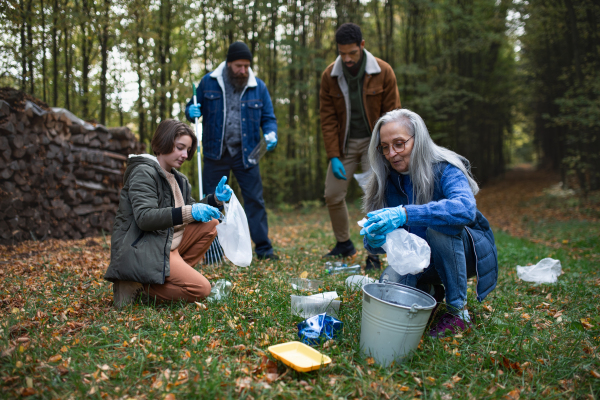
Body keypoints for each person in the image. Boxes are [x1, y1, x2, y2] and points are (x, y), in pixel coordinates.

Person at [360, 109, 498, 337]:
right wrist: (374, 238)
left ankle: (457, 313)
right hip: (420, 260)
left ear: (419, 140)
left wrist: (405, 214)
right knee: (388, 289)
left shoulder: (445, 168)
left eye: (399, 143)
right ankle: (430, 291)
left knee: (439, 228)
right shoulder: (384, 181)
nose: (392, 153)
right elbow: (374, 245)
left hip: (461, 255)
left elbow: (465, 209)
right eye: (385, 147)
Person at [104, 119, 234, 308]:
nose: (184, 154)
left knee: (210, 224)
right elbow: (145, 218)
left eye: (188, 150)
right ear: (164, 141)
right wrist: (191, 211)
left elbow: (189, 210)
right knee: (202, 290)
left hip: (168, 243)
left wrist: (215, 200)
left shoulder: (179, 180)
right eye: (180, 147)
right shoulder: (143, 172)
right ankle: (141, 289)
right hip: (146, 247)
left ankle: (163, 280)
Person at [185, 41, 279, 260]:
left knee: (255, 201)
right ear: (228, 64)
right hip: (215, 153)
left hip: (247, 155)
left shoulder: (259, 87)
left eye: (246, 66)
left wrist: (270, 132)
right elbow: (192, 108)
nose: (243, 70)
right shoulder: (209, 83)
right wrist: (191, 110)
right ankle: (211, 250)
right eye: (238, 66)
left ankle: (264, 248)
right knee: (211, 201)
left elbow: (268, 118)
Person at [320, 23, 401, 270]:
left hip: (374, 143)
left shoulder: (383, 71)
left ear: (362, 46)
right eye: (342, 53)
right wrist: (334, 156)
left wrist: (388, 149)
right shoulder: (329, 76)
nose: (347, 58)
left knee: (374, 194)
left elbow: (393, 114)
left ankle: (374, 251)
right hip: (344, 145)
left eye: (352, 53)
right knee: (332, 193)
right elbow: (328, 119)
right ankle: (343, 243)